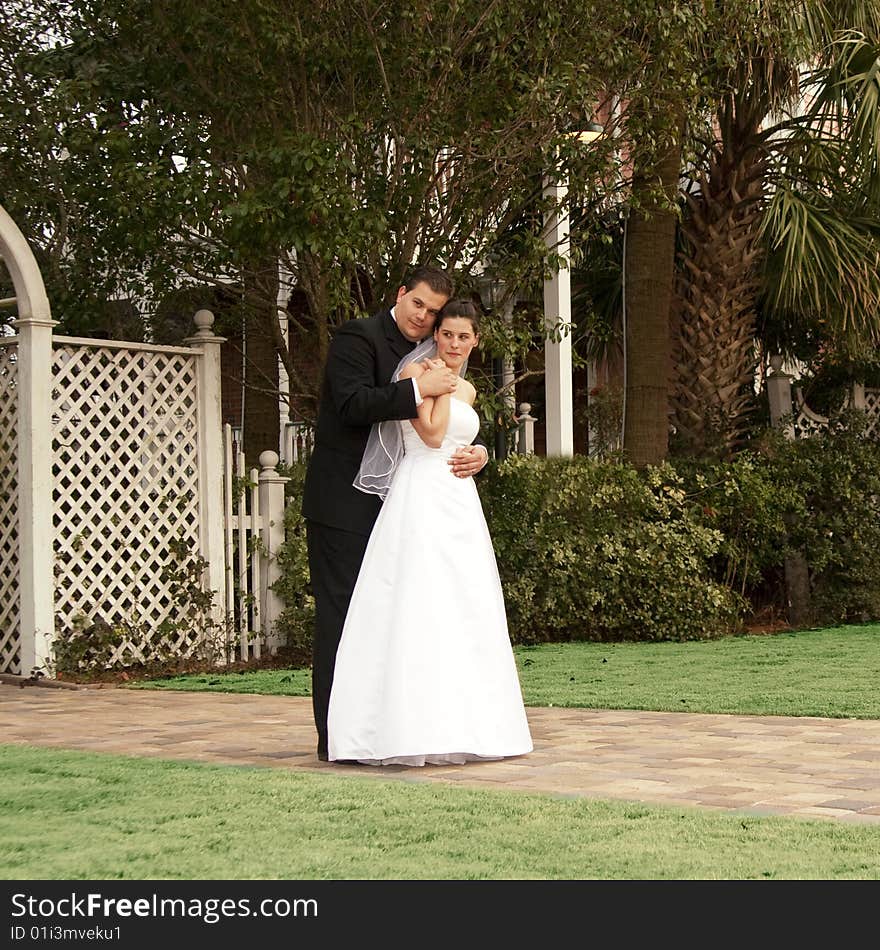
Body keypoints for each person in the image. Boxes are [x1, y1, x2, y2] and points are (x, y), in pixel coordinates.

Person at [327, 300, 533, 766]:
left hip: (459, 502)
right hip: (420, 495)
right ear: (435, 336)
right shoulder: (415, 377)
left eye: (464, 337)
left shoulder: (471, 388)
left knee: (464, 605)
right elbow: (435, 436)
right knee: (418, 604)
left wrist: (480, 452)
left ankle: (466, 724)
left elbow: (459, 440)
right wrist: (433, 384)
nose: (454, 344)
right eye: (446, 335)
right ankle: (403, 728)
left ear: (476, 340)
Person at [302, 267, 489, 761]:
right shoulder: (357, 337)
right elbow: (351, 403)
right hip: (344, 504)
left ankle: (391, 729)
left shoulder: (435, 354)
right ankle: (338, 738)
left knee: (398, 619)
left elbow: (451, 428)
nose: (424, 318)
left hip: (409, 509)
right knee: (344, 620)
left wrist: (482, 454)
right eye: (419, 306)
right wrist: (418, 388)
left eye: (434, 313)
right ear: (401, 295)